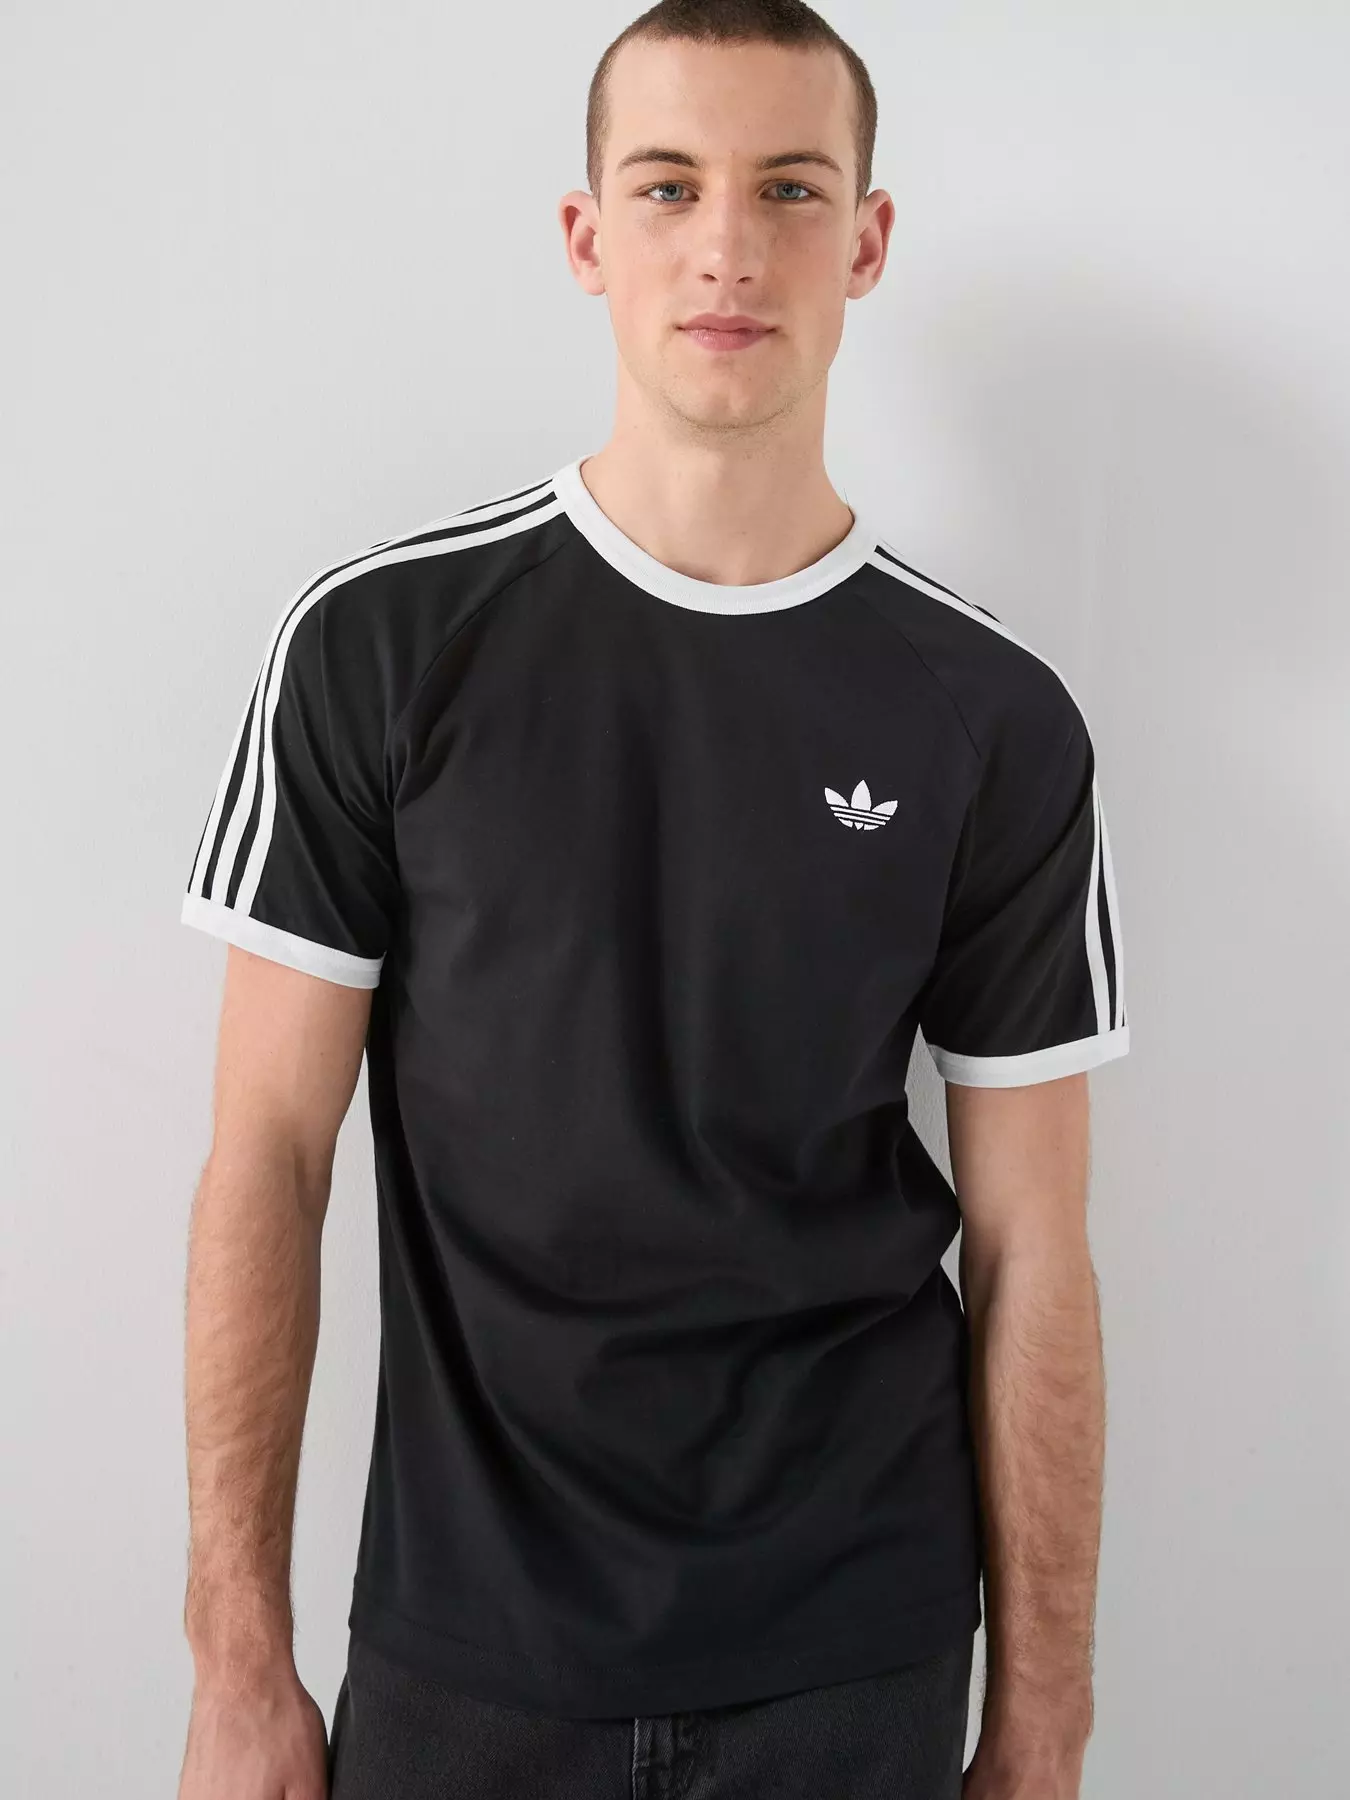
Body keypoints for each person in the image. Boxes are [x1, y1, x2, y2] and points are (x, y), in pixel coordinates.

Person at [174, 3, 1129, 1797]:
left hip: (853, 1649)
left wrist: (1046, 1714)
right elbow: (267, 1165)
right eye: (670, 185)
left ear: (866, 241)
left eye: (789, 189)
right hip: (469, 1646)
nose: (726, 248)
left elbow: (1032, 1251)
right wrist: (237, 1659)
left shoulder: (988, 716)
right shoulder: (379, 650)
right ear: (585, 235)